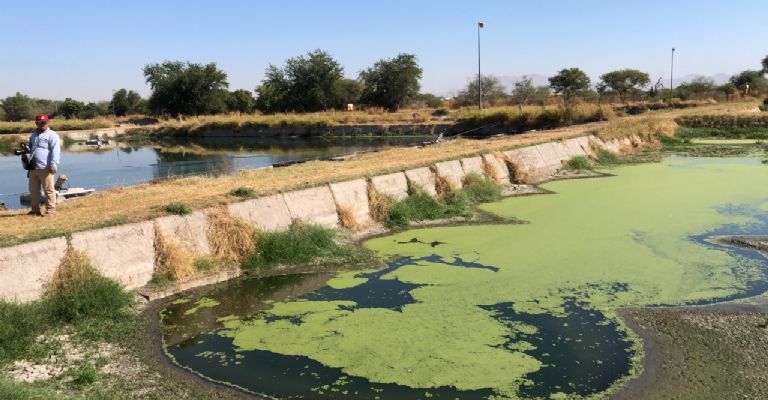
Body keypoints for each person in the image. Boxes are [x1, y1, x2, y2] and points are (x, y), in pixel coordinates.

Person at [28, 114, 60, 216]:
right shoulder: (33, 135)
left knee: (49, 190)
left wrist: (53, 164)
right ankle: (35, 210)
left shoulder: (52, 135)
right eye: (38, 122)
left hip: (46, 168)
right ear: (36, 123)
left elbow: (56, 151)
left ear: (47, 122)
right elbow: (30, 148)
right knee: (33, 191)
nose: (41, 124)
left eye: (43, 122)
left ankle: (50, 210)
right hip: (33, 168)